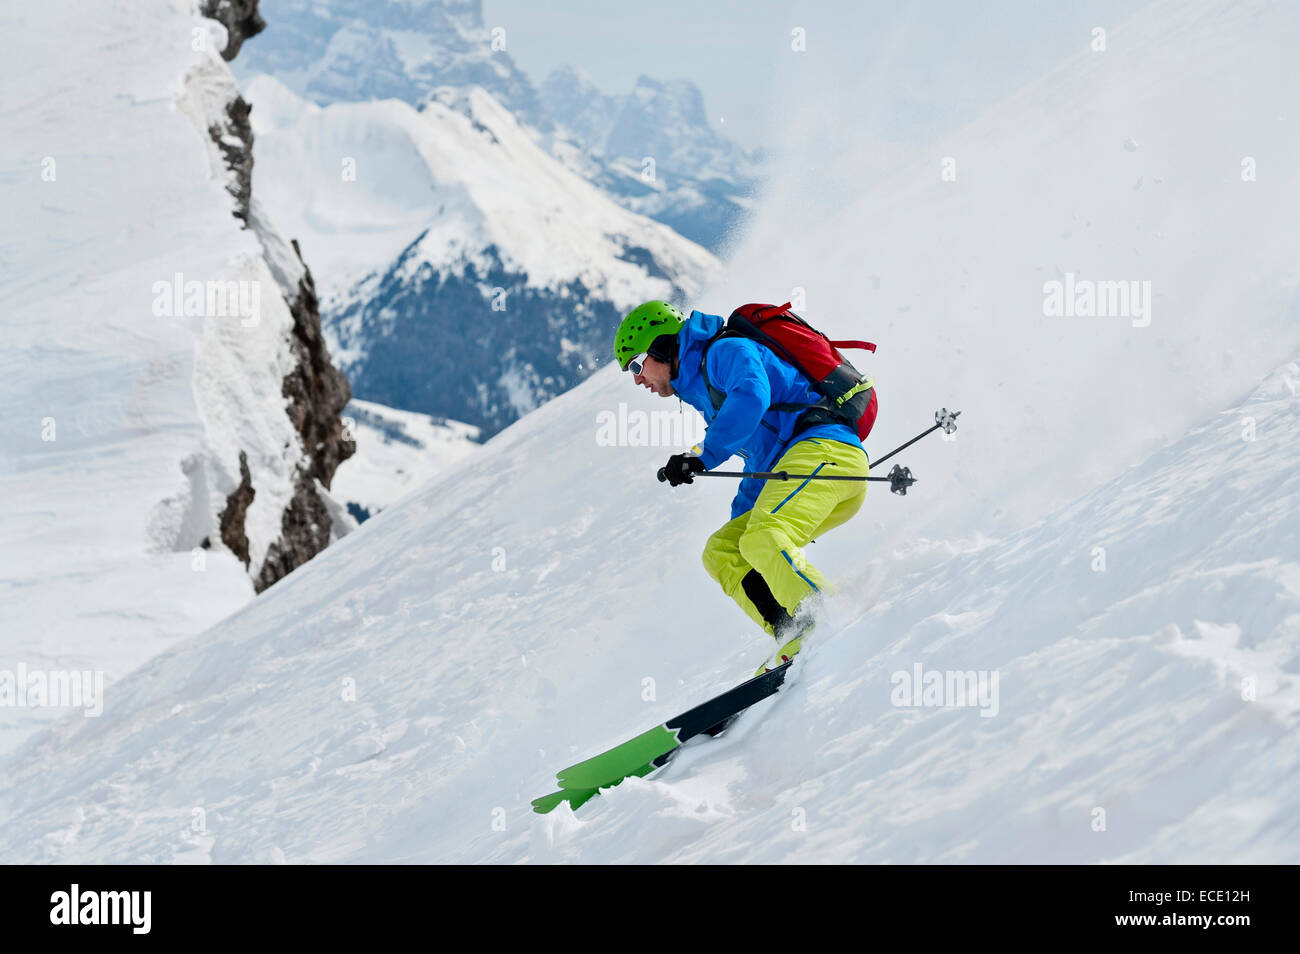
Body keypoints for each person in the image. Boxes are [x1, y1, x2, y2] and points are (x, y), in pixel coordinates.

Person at [614, 300, 870, 668]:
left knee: (762, 534)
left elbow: (752, 394)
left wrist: (701, 455)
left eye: (637, 365)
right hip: (804, 462)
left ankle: (825, 615)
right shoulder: (705, 387)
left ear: (663, 347)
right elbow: (764, 459)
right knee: (724, 550)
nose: (638, 379)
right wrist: (742, 517)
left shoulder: (725, 351)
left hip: (829, 452)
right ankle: (792, 629)